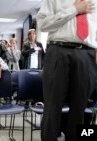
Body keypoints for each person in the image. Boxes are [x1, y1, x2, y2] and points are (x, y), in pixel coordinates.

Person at [37, 0, 97, 141]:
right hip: (59, 50)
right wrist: (74, 9)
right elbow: (43, 24)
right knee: (52, 108)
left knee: (80, 108)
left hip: (87, 54)